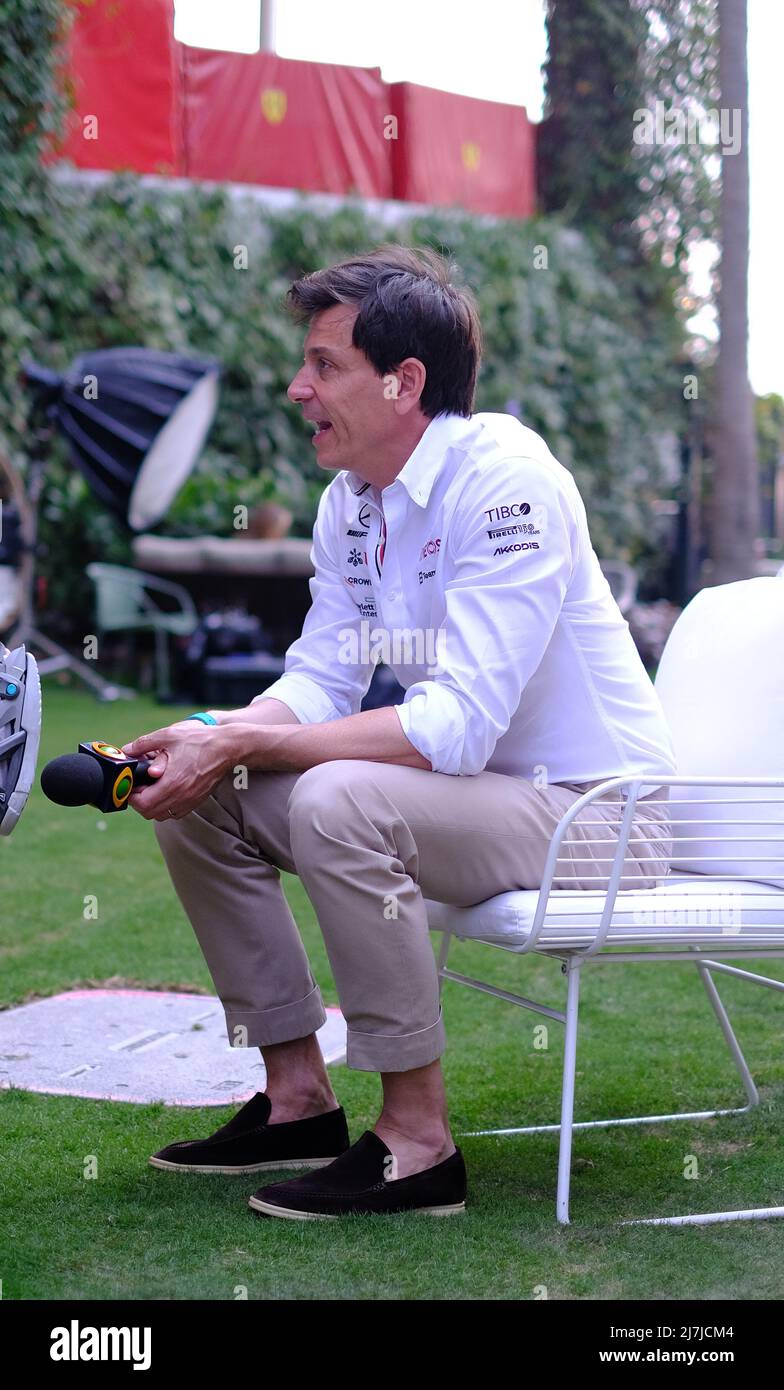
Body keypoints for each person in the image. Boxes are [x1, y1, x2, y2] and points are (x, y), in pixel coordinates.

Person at [122, 245, 676, 1221]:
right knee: (205, 795)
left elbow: (455, 729)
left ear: (402, 379)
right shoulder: (350, 504)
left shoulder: (508, 485)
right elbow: (322, 677)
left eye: (323, 365)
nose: (299, 388)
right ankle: (297, 1098)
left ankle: (418, 1142)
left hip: (598, 818)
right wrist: (211, 733)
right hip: (473, 804)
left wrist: (247, 743)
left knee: (339, 797)